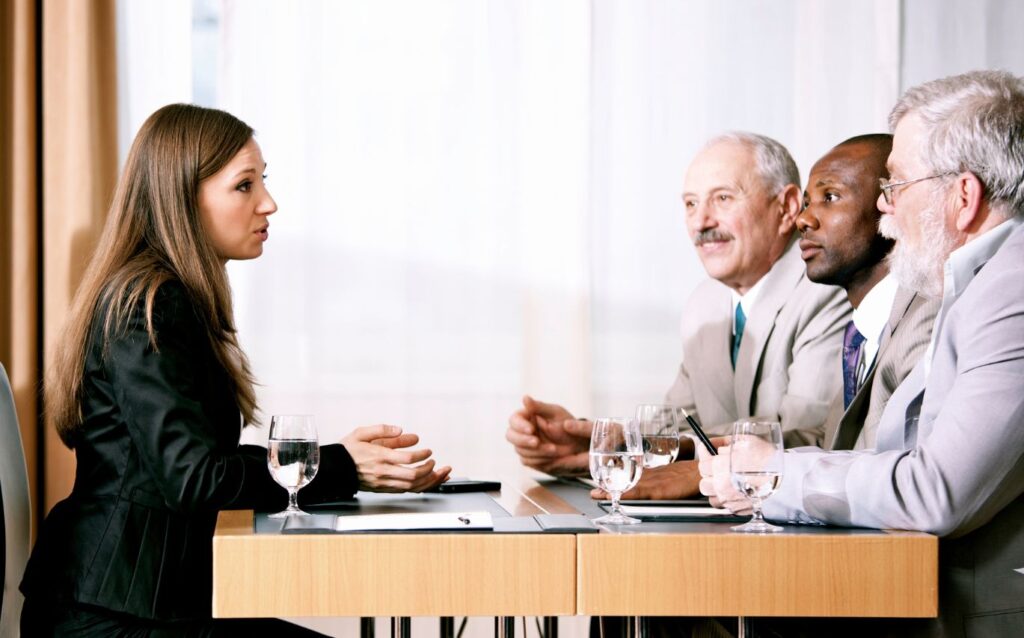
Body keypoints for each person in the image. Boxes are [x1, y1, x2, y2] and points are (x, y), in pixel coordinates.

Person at [19, 104, 451, 637]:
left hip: (140, 599)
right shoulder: (150, 304)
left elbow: (196, 468)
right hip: (110, 616)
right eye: (244, 186)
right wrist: (337, 466)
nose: (268, 203)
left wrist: (327, 464)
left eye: (262, 181)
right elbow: (197, 479)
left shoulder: (166, 299)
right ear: (182, 198)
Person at [700, 70, 1024, 636]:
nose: (885, 208)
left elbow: (935, 492)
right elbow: (894, 458)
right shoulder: (975, 280)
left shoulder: (1012, 288)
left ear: (963, 196)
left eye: (895, 186)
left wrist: (772, 476)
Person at [507, 132, 850, 499]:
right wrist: (590, 443)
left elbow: (804, 438)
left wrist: (675, 454)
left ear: (786, 208)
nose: (701, 222)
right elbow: (677, 424)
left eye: (722, 198)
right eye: (690, 204)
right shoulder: (705, 304)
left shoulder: (827, 290)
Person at [796, 134, 938, 451]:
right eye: (807, 203)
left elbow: (899, 468)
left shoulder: (926, 319)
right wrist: (723, 454)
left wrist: (761, 469)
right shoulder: (862, 328)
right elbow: (837, 442)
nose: (803, 219)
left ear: (890, 203)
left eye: (829, 197)